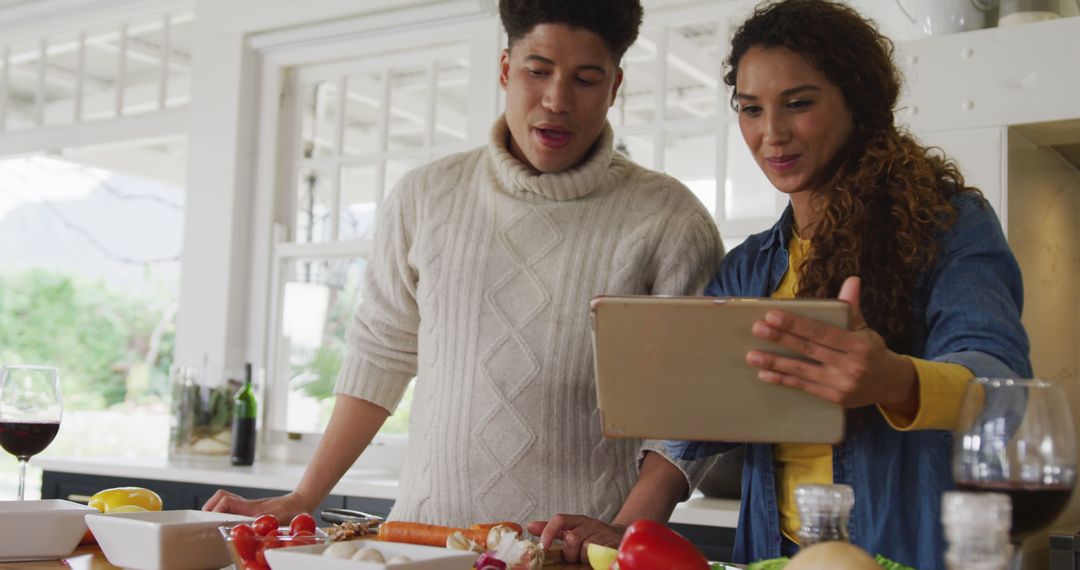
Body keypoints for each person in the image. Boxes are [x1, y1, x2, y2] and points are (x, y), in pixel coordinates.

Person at [531, 1, 1031, 568]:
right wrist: (624, 530)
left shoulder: (948, 225)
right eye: (751, 109)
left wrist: (893, 378)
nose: (772, 134)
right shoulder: (750, 267)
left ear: (858, 102)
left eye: (799, 104)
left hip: (906, 555)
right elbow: (690, 428)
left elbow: (1004, 385)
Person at [203, 0, 724, 538]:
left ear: (615, 87)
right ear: (504, 69)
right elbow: (381, 352)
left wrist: (623, 535)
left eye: (586, 80)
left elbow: (688, 412)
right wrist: (304, 495)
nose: (556, 100)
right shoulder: (425, 196)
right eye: (537, 71)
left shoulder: (671, 220)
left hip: (568, 553)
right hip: (421, 543)